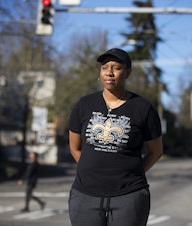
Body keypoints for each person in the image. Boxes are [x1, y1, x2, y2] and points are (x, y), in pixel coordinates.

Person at [68, 48, 163, 226]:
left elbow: (155, 151)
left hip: (129, 197)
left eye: (116, 67)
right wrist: (91, 171)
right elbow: (75, 147)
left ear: (128, 73)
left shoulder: (142, 108)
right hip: (85, 196)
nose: (109, 72)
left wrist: (131, 173)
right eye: (105, 67)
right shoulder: (84, 105)